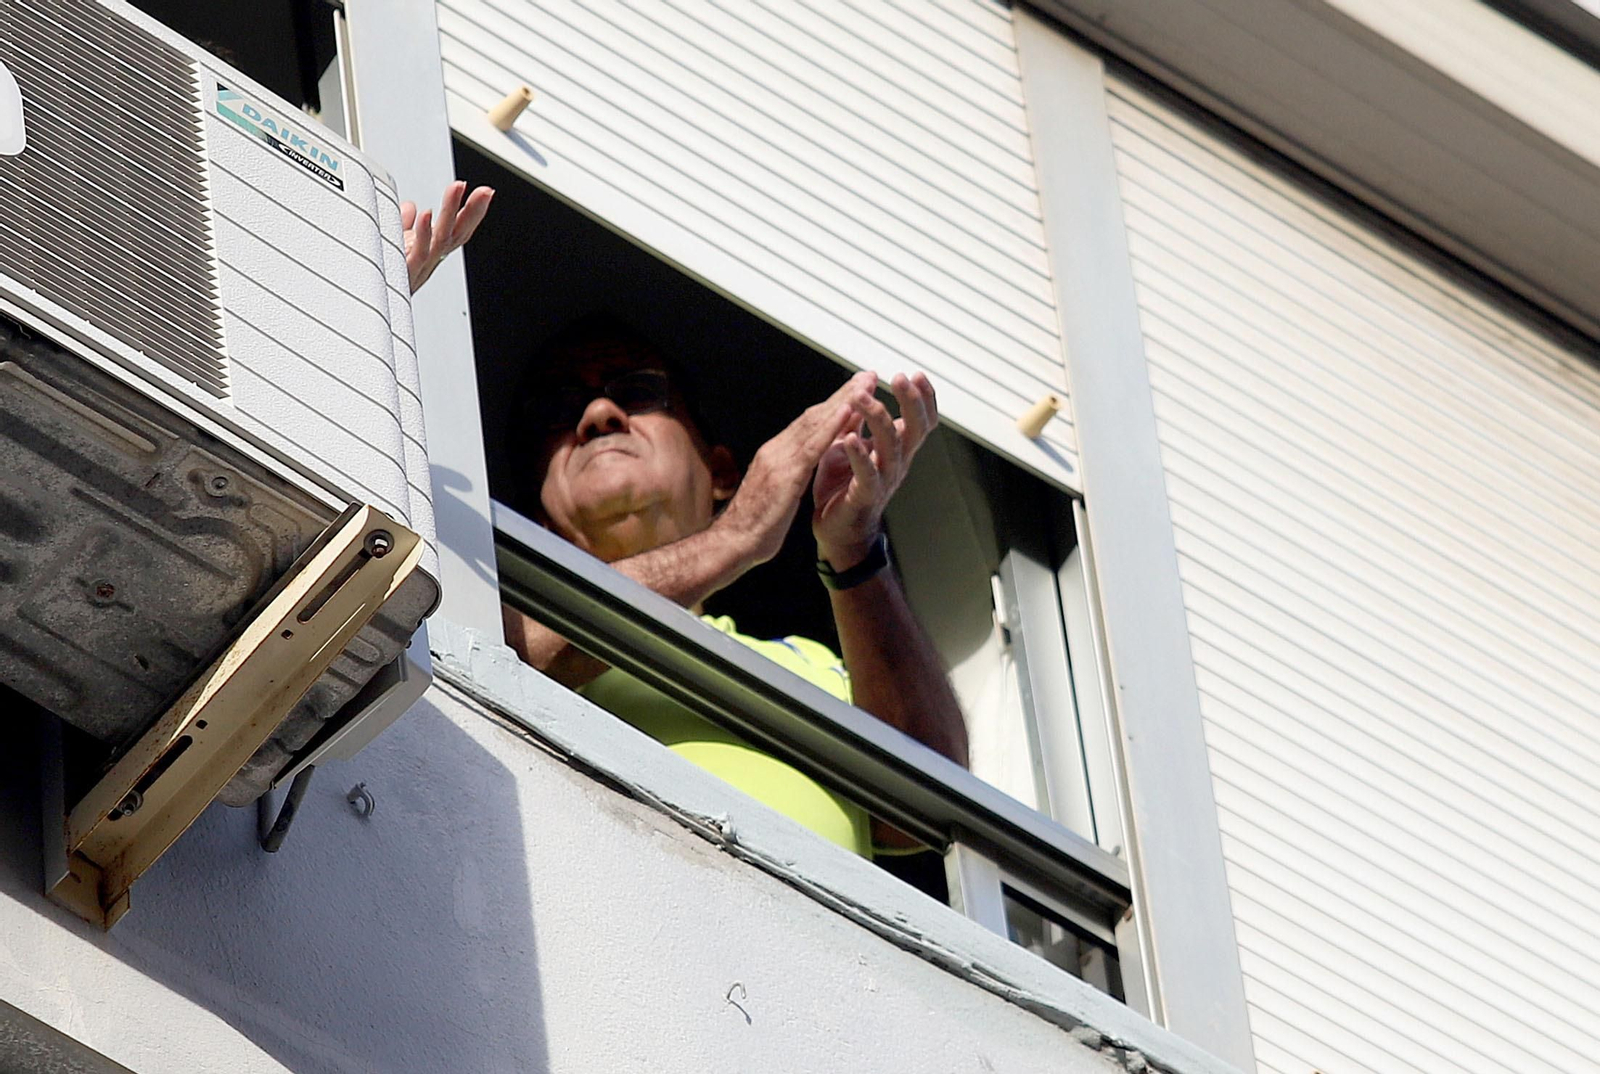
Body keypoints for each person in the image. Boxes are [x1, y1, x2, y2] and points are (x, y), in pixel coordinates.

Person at [404, 187, 968, 859]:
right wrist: (737, 537)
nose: (598, 416)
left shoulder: (809, 665)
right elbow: (475, 654)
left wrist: (856, 553)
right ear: (541, 520)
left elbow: (929, 810)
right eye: (558, 408)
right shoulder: (508, 615)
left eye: (637, 389)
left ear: (721, 472)